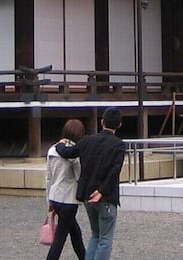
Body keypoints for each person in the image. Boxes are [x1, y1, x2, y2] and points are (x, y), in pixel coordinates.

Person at [55, 107, 126, 260]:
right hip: (106, 197)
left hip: (88, 195)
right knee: (105, 238)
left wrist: (59, 144)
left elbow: (68, 153)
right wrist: (102, 191)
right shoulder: (118, 145)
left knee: (95, 235)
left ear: (102, 122)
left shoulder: (87, 140)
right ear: (119, 125)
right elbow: (115, 171)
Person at [46, 119, 86, 260]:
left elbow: (49, 178)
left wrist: (49, 202)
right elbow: (79, 175)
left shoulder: (52, 149)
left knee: (75, 231)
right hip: (69, 199)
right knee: (60, 238)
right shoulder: (74, 152)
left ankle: (84, 257)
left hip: (55, 197)